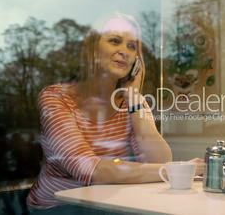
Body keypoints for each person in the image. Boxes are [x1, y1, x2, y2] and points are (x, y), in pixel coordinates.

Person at [27, 13, 203, 212]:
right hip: (59, 205)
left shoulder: (133, 101)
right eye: (114, 41)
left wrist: (134, 97)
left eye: (131, 46)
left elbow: (160, 161)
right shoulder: (55, 97)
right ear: (93, 49)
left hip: (113, 203)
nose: (125, 51)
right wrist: (179, 170)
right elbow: (90, 170)